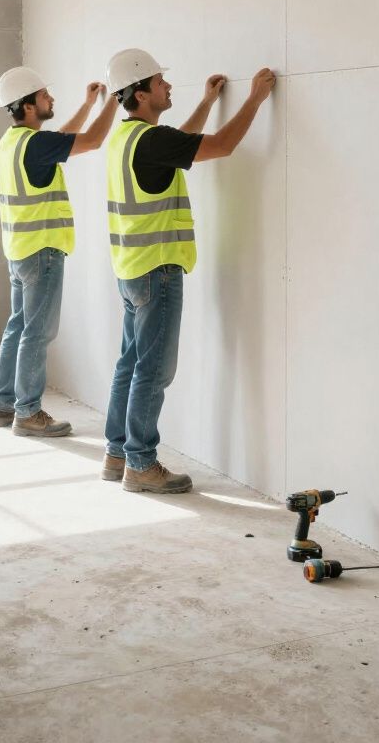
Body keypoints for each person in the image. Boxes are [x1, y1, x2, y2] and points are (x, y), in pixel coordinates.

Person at [101, 49, 276, 493]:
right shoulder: (151, 141)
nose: (167, 86)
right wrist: (255, 98)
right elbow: (222, 146)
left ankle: (118, 453)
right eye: (161, 82)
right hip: (156, 271)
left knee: (130, 365)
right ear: (141, 94)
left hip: (130, 270)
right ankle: (141, 464)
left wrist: (206, 103)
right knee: (153, 371)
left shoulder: (128, 138)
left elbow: (178, 143)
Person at [0, 68, 118, 437]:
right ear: (29, 105)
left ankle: (5, 404)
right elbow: (92, 141)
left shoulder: (12, 141)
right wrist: (116, 98)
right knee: (37, 332)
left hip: (18, 250)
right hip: (42, 251)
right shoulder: (35, 144)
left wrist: (88, 104)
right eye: (46, 96)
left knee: (18, 326)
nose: (51, 100)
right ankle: (28, 412)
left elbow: (64, 140)